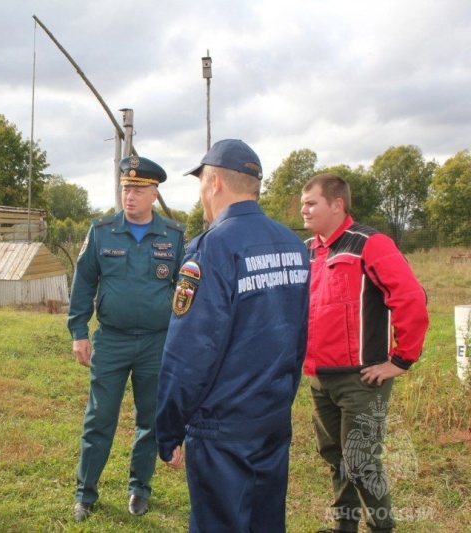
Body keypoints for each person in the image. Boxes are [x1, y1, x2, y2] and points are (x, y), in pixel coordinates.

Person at [155, 139, 311, 532]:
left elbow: (188, 353)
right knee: (265, 520)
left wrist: (169, 427)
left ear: (214, 184)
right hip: (271, 418)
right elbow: (297, 336)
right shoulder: (293, 244)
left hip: (222, 428)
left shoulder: (212, 249)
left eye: (202, 185)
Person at [300, 173, 429, 533]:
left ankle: (382, 527)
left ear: (337, 204)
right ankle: (345, 526)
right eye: (302, 203)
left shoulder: (370, 244)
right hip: (319, 377)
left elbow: (411, 298)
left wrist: (400, 360)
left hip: (361, 378)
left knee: (361, 462)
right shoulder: (310, 249)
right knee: (334, 456)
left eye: (311, 203)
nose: (303, 210)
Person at [67, 155, 186, 522]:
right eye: (124, 188)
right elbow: (84, 281)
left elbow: (186, 289)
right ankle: (85, 493)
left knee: (150, 419)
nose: (128, 195)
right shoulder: (102, 231)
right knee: (99, 418)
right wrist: (78, 332)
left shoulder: (174, 236)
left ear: (154, 193)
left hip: (157, 342)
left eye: (137, 189)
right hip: (113, 341)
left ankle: (139, 489)